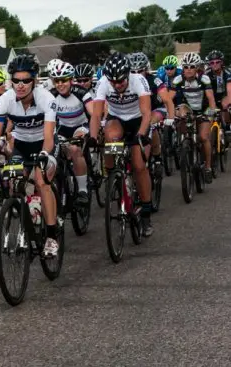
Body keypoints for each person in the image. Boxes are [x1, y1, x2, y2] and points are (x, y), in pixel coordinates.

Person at [0, 54, 60, 258]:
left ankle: (52, 235)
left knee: (41, 181)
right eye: (16, 80)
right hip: (22, 145)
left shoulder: (46, 99)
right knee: (14, 180)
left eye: (26, 80)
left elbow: (49, 138)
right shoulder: (5, 101)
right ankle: (28, 214)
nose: (20, 85)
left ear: (34, 80)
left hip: (45, 144)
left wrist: (43, 154)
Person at [89, 52, 154, 236]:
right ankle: (112, 174)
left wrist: (141, 135)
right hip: (117, 119)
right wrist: (93, 137)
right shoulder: (102, 82)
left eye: (120, 81)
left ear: (128, 75)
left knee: (139, 165)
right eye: (113, 82)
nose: (117, 85)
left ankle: (147, 213)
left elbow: (147, 113)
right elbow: (96, 114)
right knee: (110, 134)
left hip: (138, 120)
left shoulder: (138, 80)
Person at [48, 61, 94, 204]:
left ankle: (82, 190)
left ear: (71, 80)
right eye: (57, 81)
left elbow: (93, 113)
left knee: (74, 149)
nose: (60, 84)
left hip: (81, 126)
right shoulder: (51, 95)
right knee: (54, 152)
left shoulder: (81, 92)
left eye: (64, 80)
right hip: (63, 128)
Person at [170, 52, 218, 184]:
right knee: (180, 113)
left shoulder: (204, 79)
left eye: (192, 67)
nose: (188, 70)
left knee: (203, 137)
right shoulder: (178, 80)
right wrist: (171, 112)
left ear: (197, 68)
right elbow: (169, 98)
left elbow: (211, 99)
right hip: (189, 109)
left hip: (204, 109)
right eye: (186, 67)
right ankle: (186, 147)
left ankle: (208, 167)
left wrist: (211, 112)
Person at [128, 52, 175, 177]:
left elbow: (167, 99)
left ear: (146, 69)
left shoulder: (154, 80)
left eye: (140, 70)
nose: (136, 74)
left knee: (150, 123)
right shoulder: (126, 82)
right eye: (133, 71)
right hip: (138, 112)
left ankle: (157, 156)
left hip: (155, 109)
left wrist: (170, 117)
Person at [204, 50, 231, 129]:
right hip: (212, 99)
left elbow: (230, 90)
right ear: (209, 64)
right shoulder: (206, 74)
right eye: (212, 63)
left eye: (217, 62)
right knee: (207, 117)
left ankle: (228, 127)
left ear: (221, 62)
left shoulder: (228, 72)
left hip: (225, 96)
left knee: (226, 108)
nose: (215, 64)